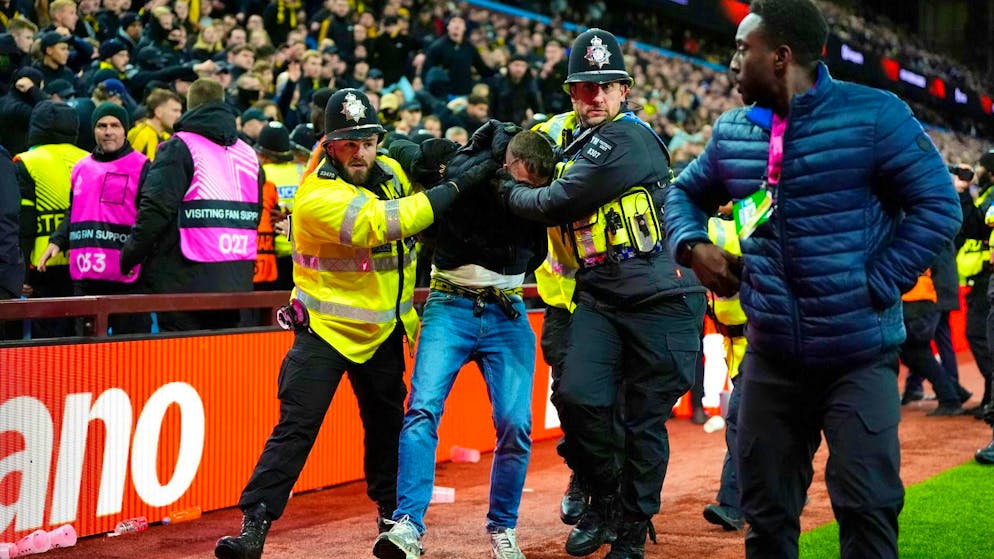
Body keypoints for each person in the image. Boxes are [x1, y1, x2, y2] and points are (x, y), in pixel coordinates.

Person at [664, 1, 962, 557]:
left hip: (858, 354)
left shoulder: (875, 116)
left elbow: (939, 205)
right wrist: (693, 243)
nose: (729, 61)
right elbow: (681, 192)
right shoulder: (733, 132)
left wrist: (877, 282)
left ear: (779, 58)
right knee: (767, 520)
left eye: (740, 49)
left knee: (867, 510)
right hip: (772, 358)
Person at [214, 88, 494, 559]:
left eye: (368, 141)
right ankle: (253, 527)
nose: (360, 152)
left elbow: (411, 166)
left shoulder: (390, 171)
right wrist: (457, 184)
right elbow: (384, 223)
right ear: (328, 146)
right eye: (348, 143)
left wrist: (441, 155)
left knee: (386, 431)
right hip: (323, 330)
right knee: (296, 428)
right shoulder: (316, 195)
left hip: (382, 332)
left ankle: (391, 523)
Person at [501, 28, 706, 559]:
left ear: (625, 91)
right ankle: (603, 496)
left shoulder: (628, 139)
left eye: (604, 87)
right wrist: (500, 148)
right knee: (576, 397)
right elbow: (523, 147)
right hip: (596, 294)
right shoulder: (561, 131)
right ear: (570, 93)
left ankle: (632, 530)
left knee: (639, 422)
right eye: (582, 87)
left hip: (663, 299)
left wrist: (507, 187)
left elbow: (556, 200)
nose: (593, 96)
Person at [373, 126, 551, 559]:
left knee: (516, 423)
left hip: (506, 309)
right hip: (450, 303)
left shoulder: (540, 189)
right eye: (521, 184)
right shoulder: (462, 167)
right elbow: (408, 150)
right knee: (422, 409)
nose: (522, 198)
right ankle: (407, 527)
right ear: (508, 165)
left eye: (534, 191)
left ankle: (503, 527)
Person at [120, 78, 262, 332]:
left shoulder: (180, 147)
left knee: (182, 366)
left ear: (189, 106)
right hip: (237, 281)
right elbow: (255, 213)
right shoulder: (249, 155)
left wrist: (130, 255)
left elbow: (155, 210)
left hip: (183, 281)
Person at [39, 102, 150, 334]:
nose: (108, 131)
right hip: (86, 276)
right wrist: (58, 240)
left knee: (132, 353)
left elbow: (150, 219)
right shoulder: (81, 167)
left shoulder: (142, 166)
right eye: (101, 125)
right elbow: (75, 209)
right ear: (94, 130)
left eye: (115, 125)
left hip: (126, 278)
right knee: (87, 355)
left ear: (125, 130)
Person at [15, 100, 89, 338]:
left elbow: (23, 223)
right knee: (82, 335)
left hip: (43, 264)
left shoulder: (26, 161)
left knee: (48, 343)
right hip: (85, 260)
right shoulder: (89, 159)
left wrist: (22, 273)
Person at [702, 202, 747, 532]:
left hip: (764, 340)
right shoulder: (710, 224)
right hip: (735, 345)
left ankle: (733, 505)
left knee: (739, 422)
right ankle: (788, 485)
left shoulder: (754, 219)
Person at [955, 156, 994, 417]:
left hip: (985, 274)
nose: (977, 172)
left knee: (980, 335)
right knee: (982, 336)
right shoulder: (986, 196)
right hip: (983, 277)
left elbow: (976, 227)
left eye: (982, 169)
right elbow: (975, 228)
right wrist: (963, 192)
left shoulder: (991, 198)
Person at [127, 88, 184, 160]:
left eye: (180, 111)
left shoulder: (167, 137)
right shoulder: (141, 135)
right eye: (175, 110)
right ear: (158, 112)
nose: (179, 115)